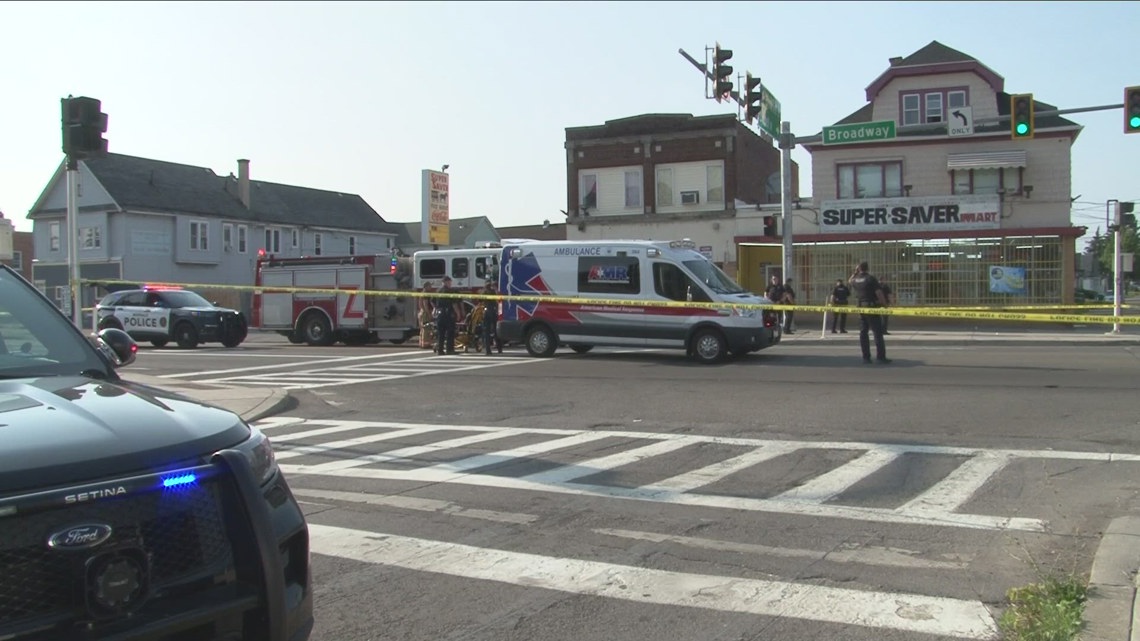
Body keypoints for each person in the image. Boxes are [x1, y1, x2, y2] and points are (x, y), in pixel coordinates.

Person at [849, 261, 890, 364]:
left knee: (863, 333)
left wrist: (855, 272)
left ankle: (866, 357)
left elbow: (849, 281)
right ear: (868, 268)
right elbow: (879, 293)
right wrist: (884, 304)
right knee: (877, 333)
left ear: (859, 268)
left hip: (861, 308)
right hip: (871, 307)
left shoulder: (856, 279)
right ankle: (881, 357)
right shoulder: (871, 279)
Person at [433, 276, 463, 355]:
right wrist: (458, 313)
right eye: (450, 282)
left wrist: (436, 308)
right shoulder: (449, 291)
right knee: (450, 332)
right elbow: (454, 303)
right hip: (448, 314)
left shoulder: (438, 291)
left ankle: (440, 350)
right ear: (446, 282)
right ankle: (450, 350)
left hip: (440, 314)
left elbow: (432, 301)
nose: (450, 284)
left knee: (441, 333)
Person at [480, 280, 503, 355]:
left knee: (486, 331)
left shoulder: (484, 292)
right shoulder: (494, 292)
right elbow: (498, 300)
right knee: (495, 330)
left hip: (487, 311)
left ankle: (488, 350)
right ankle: (499, 348)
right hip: (493, 311)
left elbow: (480, 300)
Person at [418, 281, 437, 349]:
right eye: (430, 286)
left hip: (422, 312)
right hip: (425, 313)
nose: (431, 287)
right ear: (426, 286)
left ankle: (422, 343)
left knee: (422, 329)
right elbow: (425, 305)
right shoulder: (425, 294)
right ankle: (425, 344)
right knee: (426, 328)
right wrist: (429, 314)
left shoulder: (422, 293)